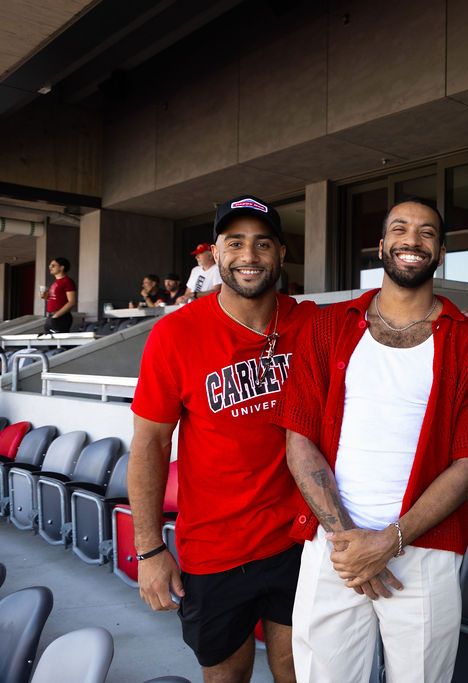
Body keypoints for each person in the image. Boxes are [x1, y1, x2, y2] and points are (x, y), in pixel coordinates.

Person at [273, 198, 468, 683]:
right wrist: (351, 543)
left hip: (425, 552)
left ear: (439, 250)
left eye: (426, 232)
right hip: (332, 547)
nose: (412, 240)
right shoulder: (328, 326)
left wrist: (390, 541)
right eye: (400, 228)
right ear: (381, 245)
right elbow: (300, 439)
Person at [128, 195, 318, 683]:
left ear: (281, 253)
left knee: (296, 667)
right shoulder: (175, 335)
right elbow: (150, 444)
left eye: (262, 243)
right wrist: (149, 551)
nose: (248, 256)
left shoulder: (311, 324)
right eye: (235, 243)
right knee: (226, 673)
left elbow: (393, 309)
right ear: (215, 253)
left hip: (299, 539)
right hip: (216, 547)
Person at [40, 257, 77, 333]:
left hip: (60, 317)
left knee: (58, 343)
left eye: (53, 265)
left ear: (61, 267)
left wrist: (56, 316)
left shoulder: (67, 281)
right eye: (49, 266)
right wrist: (46, 297)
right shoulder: (56, 282)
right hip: (52, 316)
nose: (50, 267)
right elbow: (56, 299)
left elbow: (72, 301)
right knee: (51, 342)